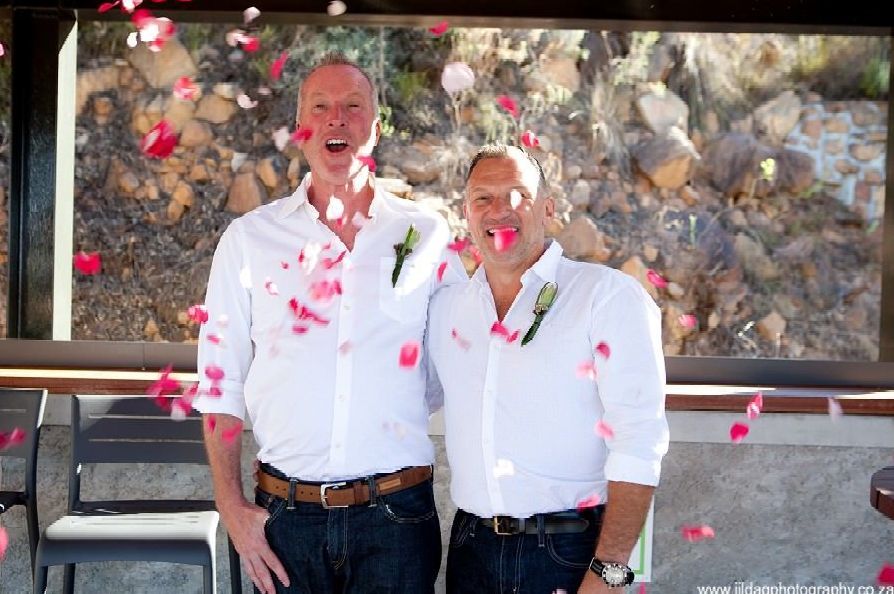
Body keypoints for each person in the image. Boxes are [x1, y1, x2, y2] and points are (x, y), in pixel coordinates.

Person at [192, 52, 463, 594]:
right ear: (302, 129)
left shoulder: (428, 237)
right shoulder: (249, 240)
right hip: (283, 523)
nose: (337, 117)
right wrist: (232, 506)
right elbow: (221, 383)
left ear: (375, 128)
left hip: (398, 521)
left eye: (353, 106)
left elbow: (452, 367)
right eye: (321, 107)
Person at [426, 144, 669, 593]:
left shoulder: (607, 297)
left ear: (548, 208)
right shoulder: (447, 309)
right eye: (484, 198)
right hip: (470, 550)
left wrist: (612, 569)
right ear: (466, 213)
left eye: (518, 194)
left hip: (569, 552)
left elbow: (640, 437)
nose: (500, 210)